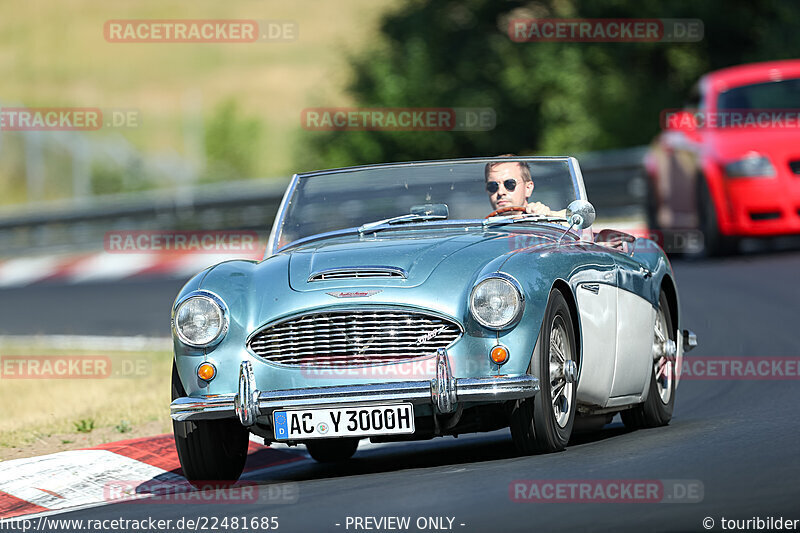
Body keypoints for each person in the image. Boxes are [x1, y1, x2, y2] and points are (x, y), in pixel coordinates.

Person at [484, 155, 565, 217]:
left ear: (528, 188)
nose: (500, 192)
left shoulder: (546, 222)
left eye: (509, 184)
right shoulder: (481, 231)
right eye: (492, 186)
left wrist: (549, 217)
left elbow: (573, 222)